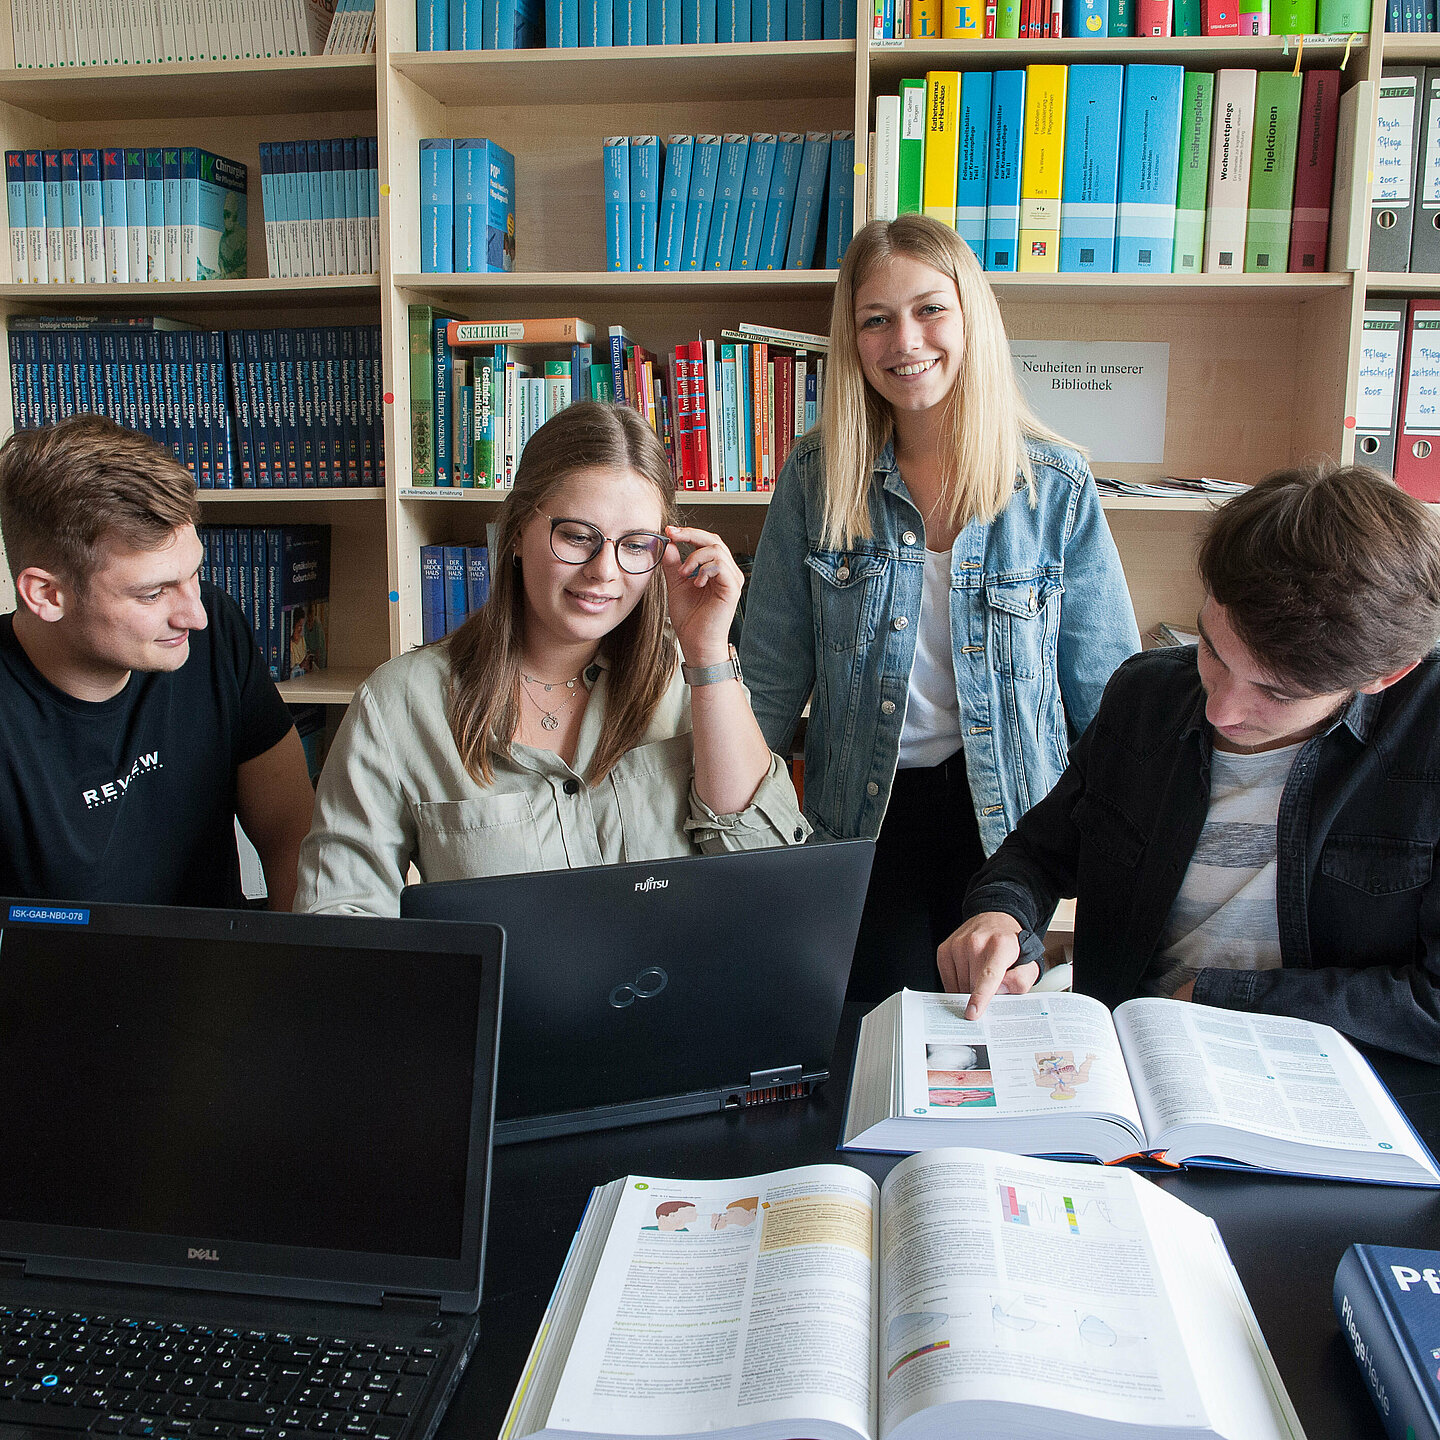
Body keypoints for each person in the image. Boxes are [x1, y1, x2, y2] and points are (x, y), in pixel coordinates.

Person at [740, 214, 1140, 1000]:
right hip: (861, 818)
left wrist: (1113, 873)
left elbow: (1111, 704)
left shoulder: (1053, 486)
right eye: (876, 319)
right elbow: (767, 687)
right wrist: (744, 857)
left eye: (929, 309)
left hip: (1012, 828)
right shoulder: (817, 477)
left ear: (971, 318)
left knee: (979, 1042)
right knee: (875, 1036)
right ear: (852, 340)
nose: (905, 340)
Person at [941, 462, 1440, 1061]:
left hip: (1336, 1092)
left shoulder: (1428, 737)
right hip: (1127, 1064)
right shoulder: (1147, 697)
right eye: (1212, 649)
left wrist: (1218, 996)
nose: (1220, 710)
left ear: (1384, 676)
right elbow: (1042, 852)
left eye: (1276, 693)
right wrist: (1001, 912)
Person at [295, 401, 807, 915]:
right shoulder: (400, 705)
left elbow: (766, 878)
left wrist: (708, 653)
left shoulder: (690, 680)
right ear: (517, 531)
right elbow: (341, 918)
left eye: (634, 545)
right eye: (578, 537)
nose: (604, 571)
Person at [0, 415, 315, 909]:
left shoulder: (216, 634)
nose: (195, 616)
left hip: (223, 974)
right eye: (152, 593)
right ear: (46, 594)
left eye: (194, 574)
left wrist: (297, 971)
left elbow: (292, 836)